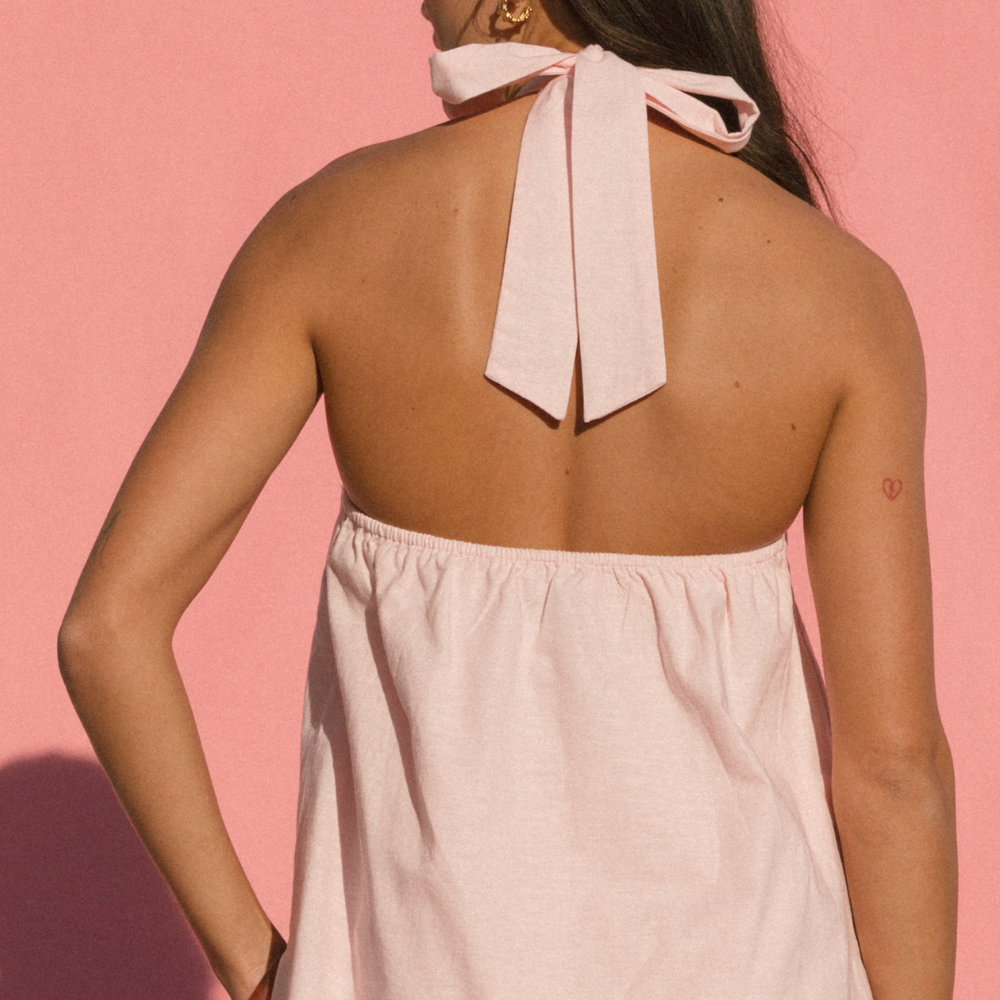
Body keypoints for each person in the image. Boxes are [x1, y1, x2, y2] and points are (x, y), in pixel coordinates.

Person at [57, 0, 957, 997]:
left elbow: (107, 628)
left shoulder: (328, 233)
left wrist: (258, 967)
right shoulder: (841, 292)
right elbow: (892, 769)